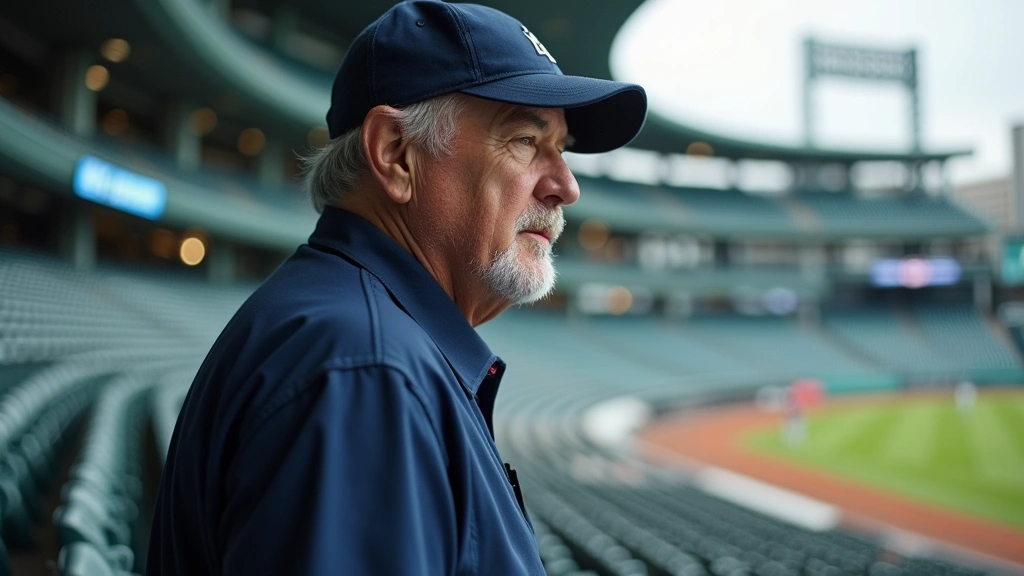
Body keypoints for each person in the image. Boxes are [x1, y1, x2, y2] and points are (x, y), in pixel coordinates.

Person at [146, 1, 646, 574]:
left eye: (561, 150)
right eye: (526, 141)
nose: (565, 187)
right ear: (395, 154)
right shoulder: (365, 369)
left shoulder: (359, 340)